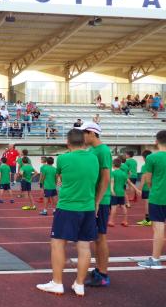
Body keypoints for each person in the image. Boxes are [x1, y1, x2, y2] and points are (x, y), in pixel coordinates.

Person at [36, 129, 99, 297]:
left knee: (57, 243)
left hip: (68, 207)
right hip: (88, 207)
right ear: (84, 142)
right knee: (84, 246)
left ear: (68, 143)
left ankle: (57, 283)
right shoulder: (93, 158)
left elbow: (60, 177)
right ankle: (79, 284)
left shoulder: (63, 158)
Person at [76, 122, 113, 288]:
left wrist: (98, 201)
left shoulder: (103, 150)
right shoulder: (92, 151)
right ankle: (99, 269)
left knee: (100, 236)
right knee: (96, 237)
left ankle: (103, 273)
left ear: (91, 133)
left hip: (101, 200)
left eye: (83, 133)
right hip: (92, 199)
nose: (81, 136)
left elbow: (106, 177)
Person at [137, 130, 166, 269]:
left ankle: (155, 260)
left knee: (159, 228)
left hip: (158, 196)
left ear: (156, 141)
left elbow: (148, 180)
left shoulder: (152, 158)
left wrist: (154, 187)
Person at [108, 158, 139, 228]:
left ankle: (111, 221)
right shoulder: (123, 174)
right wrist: (137, 189)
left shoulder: (113, 173)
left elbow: (112, 182)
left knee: (113, 207)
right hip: (122, 192)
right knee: (123, 206)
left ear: (113, 165)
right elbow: (130, 183)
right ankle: (125, 221)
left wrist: (112, 190)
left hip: (115, 193)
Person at [136, 150, 153, 226]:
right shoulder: (154, 164)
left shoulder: (145, 166)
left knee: (147, 203)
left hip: (147, 188)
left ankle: (147, 219)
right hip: (155, 187)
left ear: (144, 157)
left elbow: (144, 177)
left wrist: (140, 188)